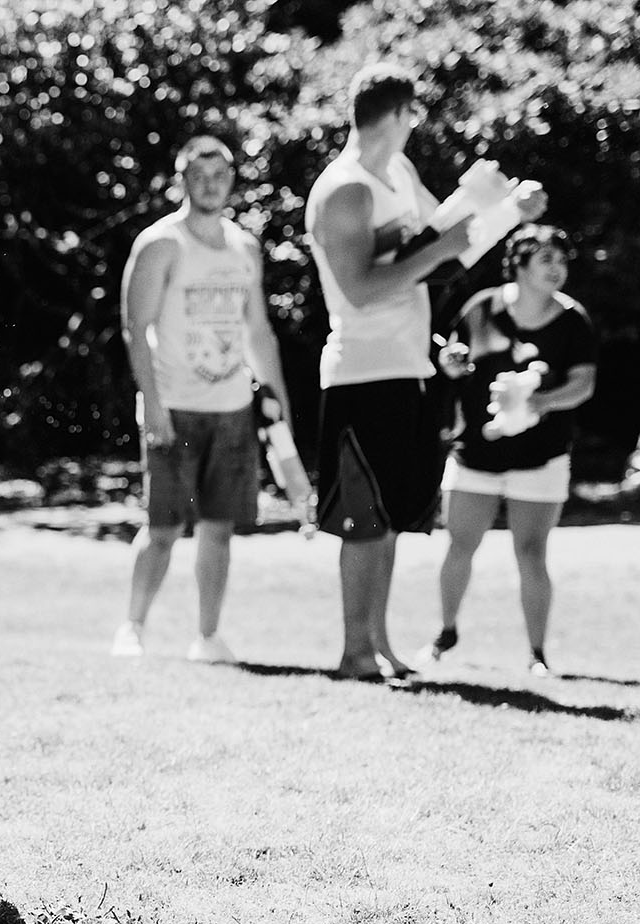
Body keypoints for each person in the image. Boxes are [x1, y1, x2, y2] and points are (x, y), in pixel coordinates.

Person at [304, 62, 545, 681]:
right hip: (361, 372)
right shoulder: (346, 188)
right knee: (362, 521)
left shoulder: (400, 174)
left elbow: (444, 252)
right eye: (414, 116)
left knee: (387, 518)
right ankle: (354, 651)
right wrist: (450, 237)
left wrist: (500, 210)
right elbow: (361, 289)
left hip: (408, 367)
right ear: (399, 114)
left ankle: (379, 645)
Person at [112, 134, 295, 663]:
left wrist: (276, 400)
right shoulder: (161, 244)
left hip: (233, 410)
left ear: (232, 182)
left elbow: (259, 331)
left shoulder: (245, 247)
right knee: (164, 528)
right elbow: (135, 327)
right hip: (175, 406)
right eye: (199, 175)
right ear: (182, 180)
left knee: (220, 529)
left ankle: (208, 637)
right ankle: (133, 627)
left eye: (220, 176)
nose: (211, 185)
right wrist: (153, 404)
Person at [420, 226, 596, 676]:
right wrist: (451, 362)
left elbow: (583, 384)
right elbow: (454, 358)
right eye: (546, 260)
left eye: (561, 260)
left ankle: (537, 654)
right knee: (459, 545)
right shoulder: (481, 308)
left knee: (532, 553)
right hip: (475, 453)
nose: (557, 269)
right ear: (518, 265)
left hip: (542, 457)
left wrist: (544, 401)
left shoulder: (573, 319)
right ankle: (445, 633)